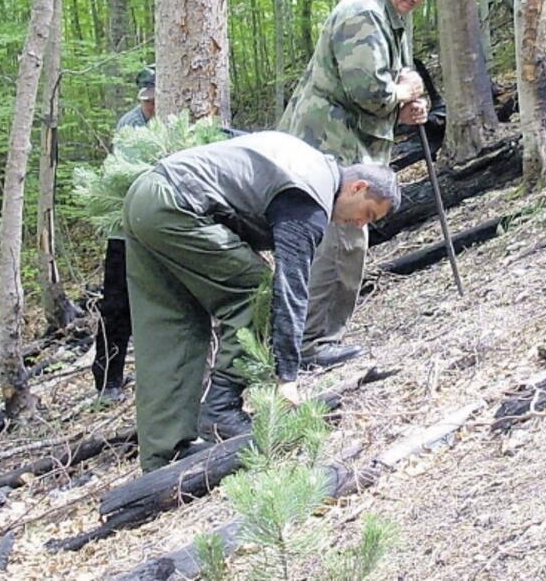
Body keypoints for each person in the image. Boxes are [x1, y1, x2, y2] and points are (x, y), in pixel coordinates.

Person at [122, 131, 400, 472]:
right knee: (255, 289)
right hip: (176, 205)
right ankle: (222, 409)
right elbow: (291, 286)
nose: (360, 223)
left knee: (171, 323)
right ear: (357, 187)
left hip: (145, 196)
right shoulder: (309, 198)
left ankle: (164, 453)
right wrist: (288, 376)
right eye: (368, 214)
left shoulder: (308, 163)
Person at [278, 0, 444, 367]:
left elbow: (392, 85)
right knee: (342, 236)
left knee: (347, 237)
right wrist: (402, 93)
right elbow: (369, 91)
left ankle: (313, 337)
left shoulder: (393, 17)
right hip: (329, 144)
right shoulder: (363, 14)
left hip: (352, 142)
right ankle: (312, 342)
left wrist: (409, 105)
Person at [92, 67, 158, 402]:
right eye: (147, 101)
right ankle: (108, 380)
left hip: (162, 230)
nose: (151, 106)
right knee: (117, 305)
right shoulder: (130, 126)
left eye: (155, 100)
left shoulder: (178, 118)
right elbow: (128, 178)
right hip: (124, 229)